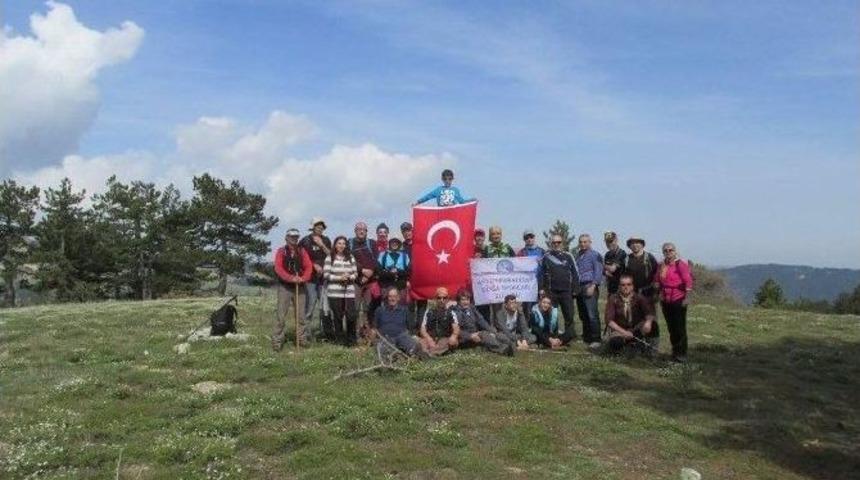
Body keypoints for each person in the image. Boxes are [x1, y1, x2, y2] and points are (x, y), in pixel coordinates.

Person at [272, 229, 313, 350]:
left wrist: (303, 278)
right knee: (281, 315)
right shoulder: (281, 251)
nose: (294, 239)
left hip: (300, 286)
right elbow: (278, 268)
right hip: (285, 287)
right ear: (286, 238)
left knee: (301, 315)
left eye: (296, 237)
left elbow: (308, 266)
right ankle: (277, 341)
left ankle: (301, 339)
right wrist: (290, 278)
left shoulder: (302, 251)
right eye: (291, 236)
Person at [656, 242, 694, 362]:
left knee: (679, 327)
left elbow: (688, 281)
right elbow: (657, 279)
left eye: (670, 250)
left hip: (678, 298)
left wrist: (687, 298)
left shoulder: (680, 265)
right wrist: (658, 291)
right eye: (665, 251)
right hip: (665, 299)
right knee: (671, 327)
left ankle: (682, 354)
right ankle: (675, 352)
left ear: (675, 251)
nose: (668, 252)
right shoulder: (661, 265)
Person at [604, 274, 659, 355]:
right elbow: (609, 321)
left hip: (636, 329)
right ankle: (625, 349)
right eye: (623, 285)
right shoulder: (613, 298)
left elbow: (649, 312)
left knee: (653, 325)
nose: (626, 287)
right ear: (619, 286)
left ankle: (651, 352)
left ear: (632, 286)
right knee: (615, 342)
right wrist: (624, 332)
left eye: (628, 284)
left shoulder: (640, 298)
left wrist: (648, 322)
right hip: (620, 330)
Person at [450, 289, 515, 356]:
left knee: (495, 333)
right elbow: (456, 330)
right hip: (464, 338)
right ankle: (503, 349)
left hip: (475, 333)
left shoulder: (471, 308)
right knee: (484, 334)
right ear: (458, 301)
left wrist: (492, 331)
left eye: (467, 299)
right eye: (463, 300)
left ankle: (511, 345)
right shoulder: (455, 312)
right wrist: (470, 336)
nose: (466, 302)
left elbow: (481, 320)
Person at [539, 234, 580, 338]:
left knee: (569, 315)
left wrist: (575, 288)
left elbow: (575, 273)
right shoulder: (546, 256)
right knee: (553, 315)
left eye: (559, 242)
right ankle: (553, 334)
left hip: (567, 291)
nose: (556, 244)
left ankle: (570, 335)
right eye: (554, 242)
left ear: (562, 243)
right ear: (551, 243)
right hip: (551, 291)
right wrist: (543, 289)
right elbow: (542, 274)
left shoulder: (568, 256)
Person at [373, 287, 429, 358]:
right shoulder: (380, 310)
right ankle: (395, 355)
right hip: (385, 338)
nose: (392, 299)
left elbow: (411, 328)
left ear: (398, 298)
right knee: (384, 353)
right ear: (387, 298)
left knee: (412, 347)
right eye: (390, 296)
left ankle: (417, 354)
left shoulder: (404, 310)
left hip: (401, 336)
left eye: (394, 296)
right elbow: (375, 327)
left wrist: (415, 337)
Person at [299, 218, 332, 341]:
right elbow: (301, 258)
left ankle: (325, 333)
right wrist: (313, 265)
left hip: (324, 279)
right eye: (318, 226)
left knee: (325, 307)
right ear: (313, 227)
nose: (320, 228)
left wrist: (322, 245)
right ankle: (305, 334)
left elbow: (331, 255)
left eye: (322, 226)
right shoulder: (305, 241)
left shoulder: (326, 240)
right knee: (310, 306)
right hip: (310, 279)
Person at [323, 236, 359, 345]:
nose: (341, 246)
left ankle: (351, 340)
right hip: (334, 292)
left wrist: (350, 277)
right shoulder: (330, 258)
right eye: (339, 243)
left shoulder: (350, 257)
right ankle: (340, 340)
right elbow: (326, 275)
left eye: (344, 243)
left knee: (351, 315)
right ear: (335, 245)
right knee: (338, 316)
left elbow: (355, 273)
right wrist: (339, 278)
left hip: (349, 291)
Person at [575, 234, 604, 348]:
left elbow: (598, 270)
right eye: (581, 242)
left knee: (592, 314)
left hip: (589, 285)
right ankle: (586, 337)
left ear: (590, 242)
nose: (583, 244)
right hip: (579, 286)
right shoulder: (578, 255)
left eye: (585, 242)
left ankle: (596, 338)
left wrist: (593, 285)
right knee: (583, 314)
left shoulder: (595, 255)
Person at [349, 222, 378, 336]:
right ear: (355, 231)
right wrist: (362, 271)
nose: (361, 231)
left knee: (368, 309)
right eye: (359, 229)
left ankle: (368, 333)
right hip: (355, 281)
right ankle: (355, 333)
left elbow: (376, 260)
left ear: (366, 231)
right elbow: (348, 259)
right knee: (354, 309)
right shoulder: (349, 243)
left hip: (370, 282)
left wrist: (369, 274)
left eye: (364, 229)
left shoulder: (371, 243)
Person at [418, 287, 460, 355]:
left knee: (454, 342)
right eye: (439, 298)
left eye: (444, 298)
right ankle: (435, 351)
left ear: (448, 299)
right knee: (418, 342)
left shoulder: (451, 312)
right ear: (435, 299)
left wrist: (454, 336)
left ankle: (429, 352)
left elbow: (456, 329)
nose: (441, 300)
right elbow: (422, 330)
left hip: (444, 339)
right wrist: (429, 339)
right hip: (430, 338)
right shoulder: (429, 311)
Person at [517, 229, 545, 316]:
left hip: (539, 283)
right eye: (526, 237)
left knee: (540, 306)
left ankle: (540, 327)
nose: (529, 239)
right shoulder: (521, 252)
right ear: (524, 239)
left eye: (531, 237)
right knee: (527, 308)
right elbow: (517, 268)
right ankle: (528, 327)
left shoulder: (542, 251)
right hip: (527, 285)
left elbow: (547, 269)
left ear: (534, 238)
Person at [376, 237, 410, 302]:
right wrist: (390, 272)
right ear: (389, 243)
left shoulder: (405, 256)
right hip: (386, 285)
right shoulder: (382, 255)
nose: (394, 244)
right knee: (386, 305)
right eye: (392, 242)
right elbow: (379, 271)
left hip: (401, 285)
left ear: (399, 244)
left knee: (401, 305)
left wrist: (397, 271)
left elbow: (408, 271)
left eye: (396, 242)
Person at [625, 236, 658, 301]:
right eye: (632, 243)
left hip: (648, 293)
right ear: (630, 246)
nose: (634, 245)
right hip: (632, 293)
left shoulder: (649, 258)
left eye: (637, 242)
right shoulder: (627, 259)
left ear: (642, 245)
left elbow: (657, 274)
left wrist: (656, 292)